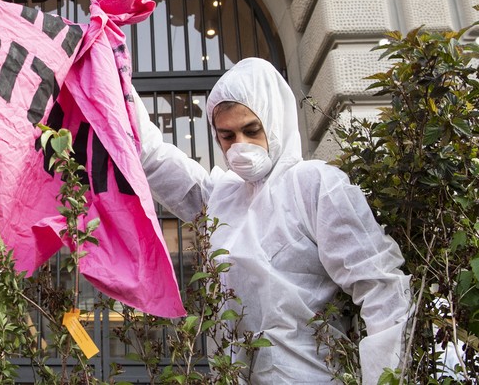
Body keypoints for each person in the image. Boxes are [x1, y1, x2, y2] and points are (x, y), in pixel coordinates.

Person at [135, 57, 411, 384]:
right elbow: (151, 154)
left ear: (273, 119)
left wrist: (384, 377)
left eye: (251, 130)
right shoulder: (223, 198)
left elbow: (380, 288)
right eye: (227, 135)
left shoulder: (315, 186)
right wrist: (110, 66)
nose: (240, 146)